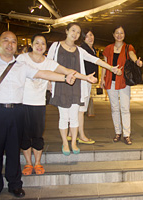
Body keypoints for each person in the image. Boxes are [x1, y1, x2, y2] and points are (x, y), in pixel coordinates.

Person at [0, 31, 76, 200]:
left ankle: (15, 185)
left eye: (13, 41)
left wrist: (65, 78)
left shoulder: (21, 65)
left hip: (17, 111)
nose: (10, 44)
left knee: (14, 151)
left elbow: (42, 73)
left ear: (17, 45)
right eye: (6, 40)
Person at [16, 33, 97, 176]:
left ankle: (38, 162)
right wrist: (64, 78)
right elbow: (40, 74)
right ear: (31, 44)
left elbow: (65, 70)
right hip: (23, 103)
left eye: (43, 44)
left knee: (37, 135)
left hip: (39, 103)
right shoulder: (22, 59)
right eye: (37, 43)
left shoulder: (48, 62)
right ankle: (28, 163)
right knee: (25, 135)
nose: (40, 46)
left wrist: (85, 77)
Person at [47, 22, 121, 155]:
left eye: (77, 32)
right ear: (67, 31)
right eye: (73, 30)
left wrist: (111, 68)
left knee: (75, 117)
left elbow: (95, 60)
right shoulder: (56, 46)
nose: (75, 34)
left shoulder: (79, 50)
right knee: (64, 117)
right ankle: (65, 143)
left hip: (76, 86)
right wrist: (48, 81)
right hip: (60, 85)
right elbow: (48, 63)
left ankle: (74, 143)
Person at [100, 25, 143, 145]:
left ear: (124, 35)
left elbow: (132, 55)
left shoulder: (128, 47)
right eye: (117, 33)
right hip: (110, 81)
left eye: (122, 33)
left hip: (124, 81)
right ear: (113, 35)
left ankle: (126, 134)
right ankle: (117, 132)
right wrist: (102, 78)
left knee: (125, 108)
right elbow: (104, 64)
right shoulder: (108, 48)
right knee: (114, 108)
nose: (119, 35)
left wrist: (137, 61)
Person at [77, 28, 98, 144]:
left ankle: (72, 133)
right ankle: (81, 135)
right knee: (81, 109)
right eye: (88, 36)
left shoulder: (91, 49)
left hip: (87, 81)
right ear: (83, 38)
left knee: (80, 109)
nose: (91, 38)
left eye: (92, 35)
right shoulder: (82, 49)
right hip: (83, 81)